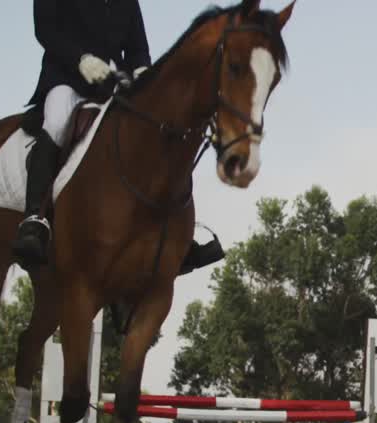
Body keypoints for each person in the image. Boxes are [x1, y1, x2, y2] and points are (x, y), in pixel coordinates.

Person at [16, 0, 223, 274]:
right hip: (66, 79)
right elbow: (46, 31)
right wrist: (82, 60)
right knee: (57, 122)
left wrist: (141, 71)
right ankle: (34, 219)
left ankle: (177, 234)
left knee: (157, 132)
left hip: (114, 83)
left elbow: (138, 47)